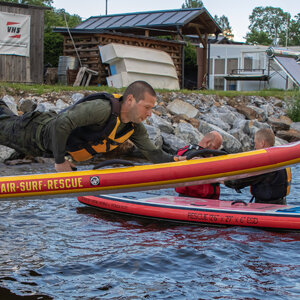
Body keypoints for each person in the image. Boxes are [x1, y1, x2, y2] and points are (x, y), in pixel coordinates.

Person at [0, 81, 183, 172]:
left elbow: (154, 154)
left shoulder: (134, 128)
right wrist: (60, 161)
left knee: (4, 116)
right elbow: (62, 124)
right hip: (33, 132)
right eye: (147, 108)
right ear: (130, 100)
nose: (150, 114)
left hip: (42, 146)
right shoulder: (102, 109)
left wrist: (180, 162)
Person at [225, 128, 291, 205]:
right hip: (281, 202)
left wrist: (221, 180)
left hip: (266, 206)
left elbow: (239, 182)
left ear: (262, 143)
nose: (255, 147)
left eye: (255, 143)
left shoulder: (265, 163)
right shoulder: (280, 158)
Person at [175, 131, 223, 199]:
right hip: (189, 199)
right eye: (215, 148)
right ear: (207, 143)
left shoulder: (212, 157)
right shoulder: (190, 153)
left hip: (210, 201)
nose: (215, 151)